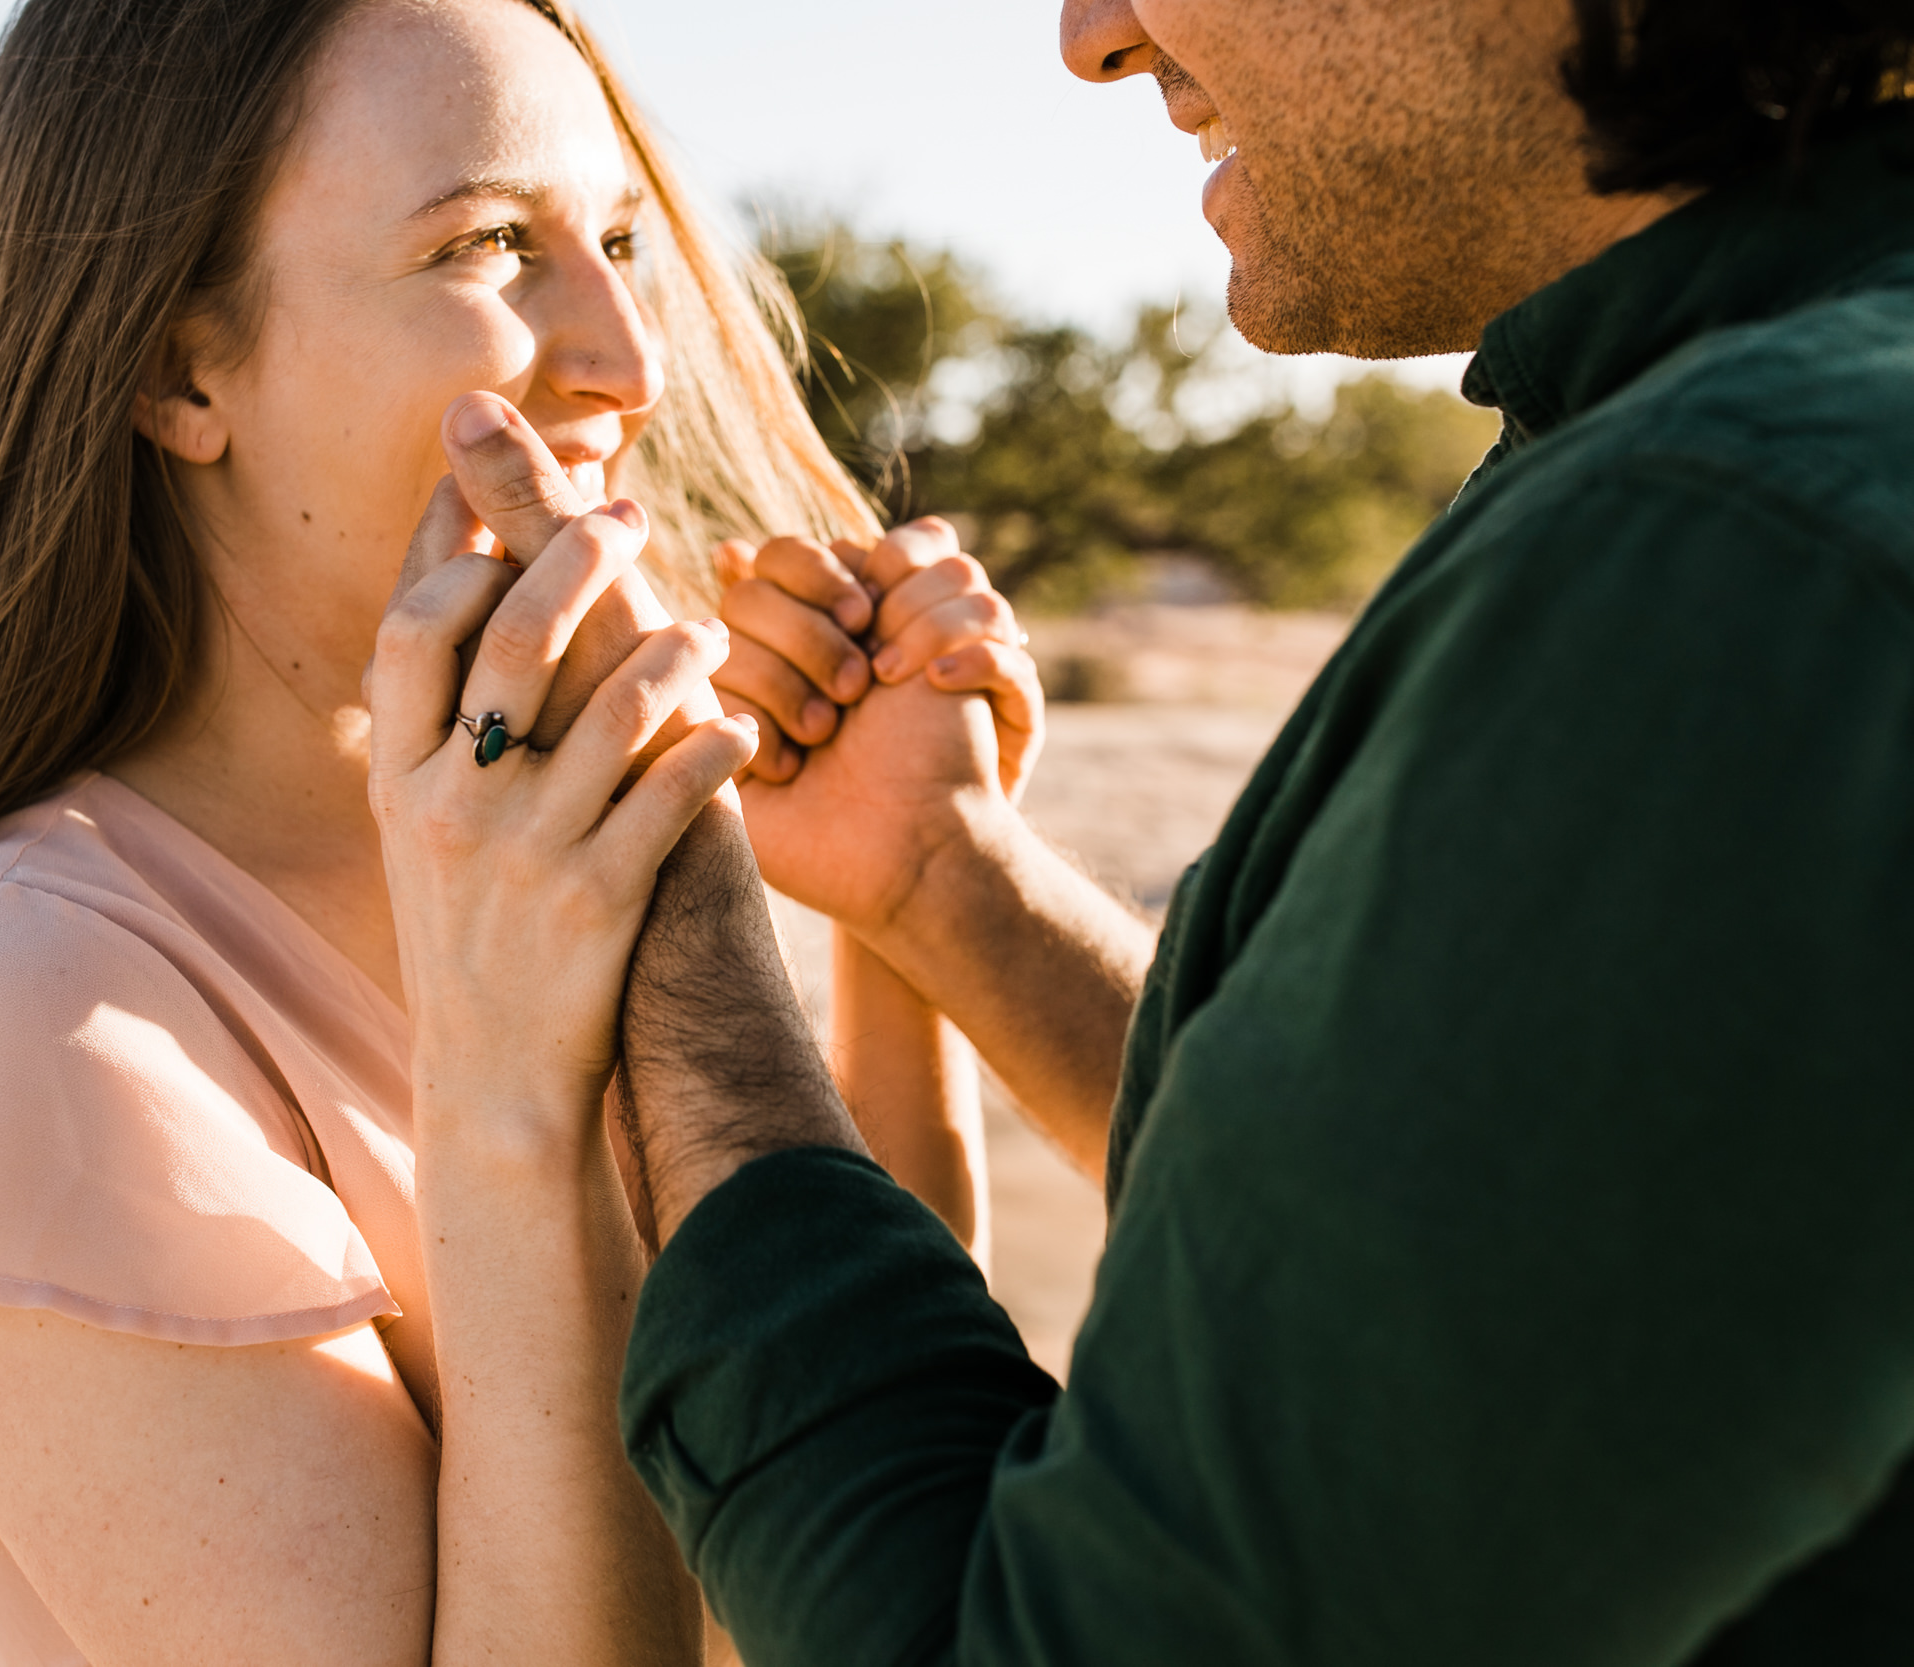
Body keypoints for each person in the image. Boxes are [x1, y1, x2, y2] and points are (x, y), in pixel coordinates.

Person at [372, 0, 1914, 1662]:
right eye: (488, 245)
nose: (1092, 37)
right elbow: (1457, 1276)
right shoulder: (1728, 444)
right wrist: (949, 884)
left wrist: (666, 874)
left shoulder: (1742, 555)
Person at [0, 1, 1040, 1661]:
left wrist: (896, 912)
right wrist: (508, 1103)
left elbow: (873, 1484)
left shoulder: (531, 831)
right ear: (174, 366)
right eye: (488, 243)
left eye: (623, 238)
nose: (630, 363)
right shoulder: (19, 1011)